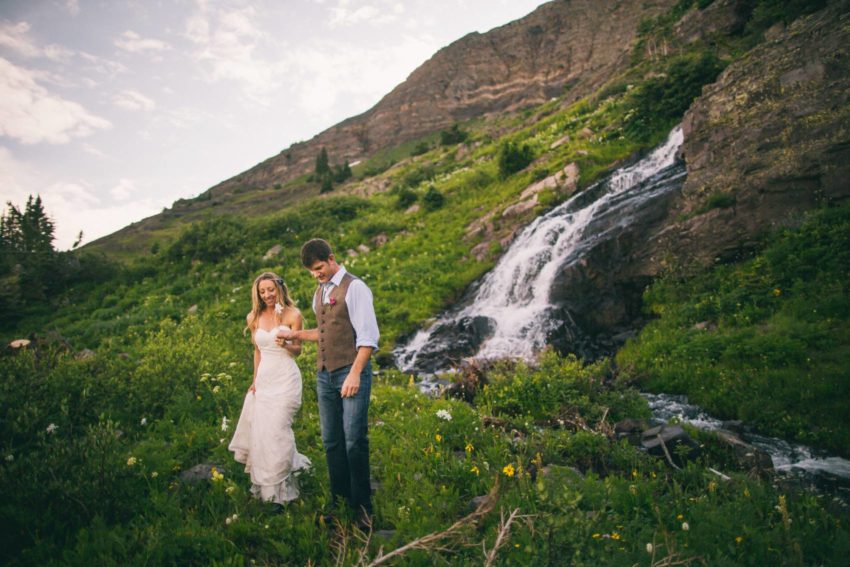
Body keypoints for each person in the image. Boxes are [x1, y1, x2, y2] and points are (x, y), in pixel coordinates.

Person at [276, 238, 379, 529]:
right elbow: (324, 332)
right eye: (312, 271)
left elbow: (368, 338)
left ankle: (363, 508)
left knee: (354, 441)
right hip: (325, 375)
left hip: (351, 371)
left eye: (319, 268)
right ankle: (340, 500)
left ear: (332, 259)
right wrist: (295, 336)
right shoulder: (319, 292)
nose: (316, 274)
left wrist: (355, 374)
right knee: (332, 442)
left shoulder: (355, 287)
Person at [229, 272, 311, 507]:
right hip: (265, 380)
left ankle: (284, 487)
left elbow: (298, 350)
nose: (267, 295)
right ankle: (272, 494)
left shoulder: (293, 315)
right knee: (264, 435)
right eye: (262, 291)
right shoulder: (253, 317)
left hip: (286, 379)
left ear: (279, 288)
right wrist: (255, 380)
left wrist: (286, 343)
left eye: (270, 290)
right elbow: (258, 351)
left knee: (277, 431)